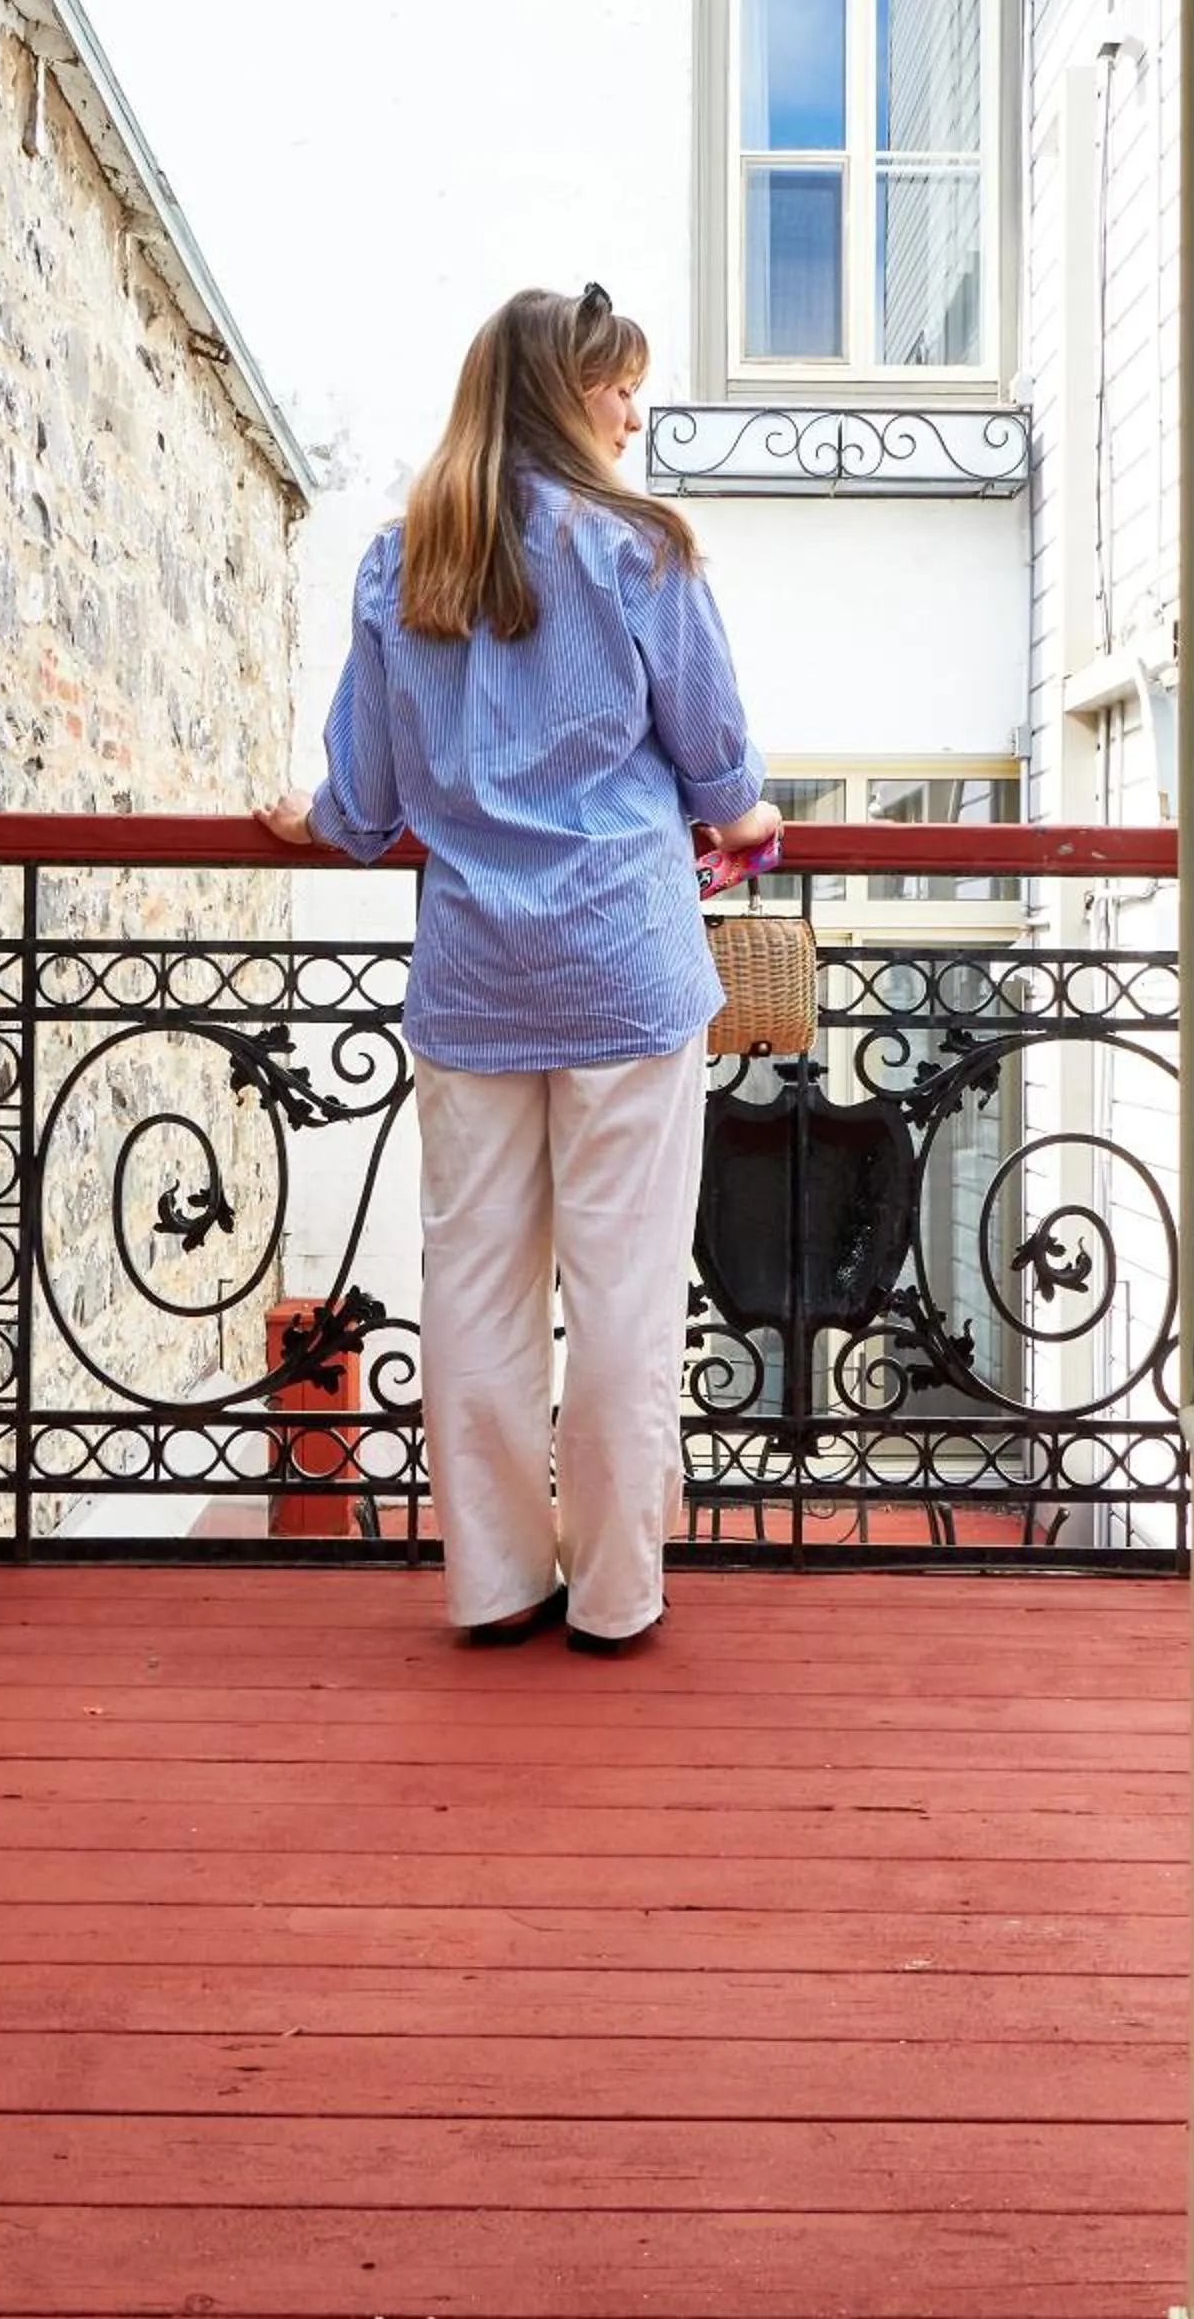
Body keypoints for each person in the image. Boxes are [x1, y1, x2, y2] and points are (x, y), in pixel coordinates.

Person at [261, 283, 778, 1654]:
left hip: (478, 972)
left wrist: (308, 821)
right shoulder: (639, 547)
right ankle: (614, 1595)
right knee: (623, 1288)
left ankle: (494, 1583)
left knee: (476, 1282)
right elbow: (721, 768)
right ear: (563, 393)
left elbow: (363, 805)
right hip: (622, 961)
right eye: (616, 387)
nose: (632, 409)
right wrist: (749, 819)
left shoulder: (399, 562)